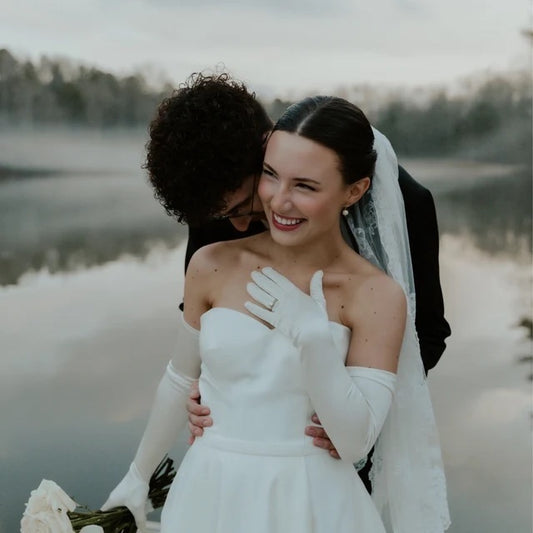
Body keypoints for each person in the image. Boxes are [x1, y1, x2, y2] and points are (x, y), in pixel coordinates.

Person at [102, 96, 450, 532]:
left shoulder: (404, 209)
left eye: (304, 185)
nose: (245, 222)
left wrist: (337, 389)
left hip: (321, 455)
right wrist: (213, 386)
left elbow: (426, 337)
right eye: (271, 179)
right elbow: (199, 337)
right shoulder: (218, 212)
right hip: (215, 475)